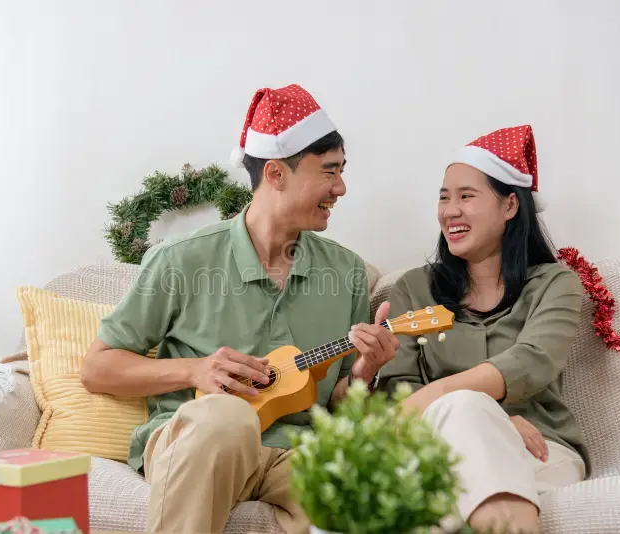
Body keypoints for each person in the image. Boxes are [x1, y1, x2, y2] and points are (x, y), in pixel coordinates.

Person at [80, 84, 398, 534]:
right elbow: (97, 368)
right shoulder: (181, 260)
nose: (341, 187)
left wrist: (364, 372)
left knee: (367, 485)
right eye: (329, 171)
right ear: (275, 173)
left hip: (297, 450)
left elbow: (341, 404)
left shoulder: (346, 272)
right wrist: (193, 371)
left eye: (342, 171)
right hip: (199, 440)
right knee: (227, 418)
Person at [377, 125, 589, 534]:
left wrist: (447, 397)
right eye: (444, 197)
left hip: (541, 447)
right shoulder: (412, 289)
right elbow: (395, 396)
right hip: (436, 447)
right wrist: (484, 420)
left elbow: (532, 361)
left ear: (510, 206)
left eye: (466, 196)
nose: (449, 211)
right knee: (466, 418)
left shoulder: (554, 284)